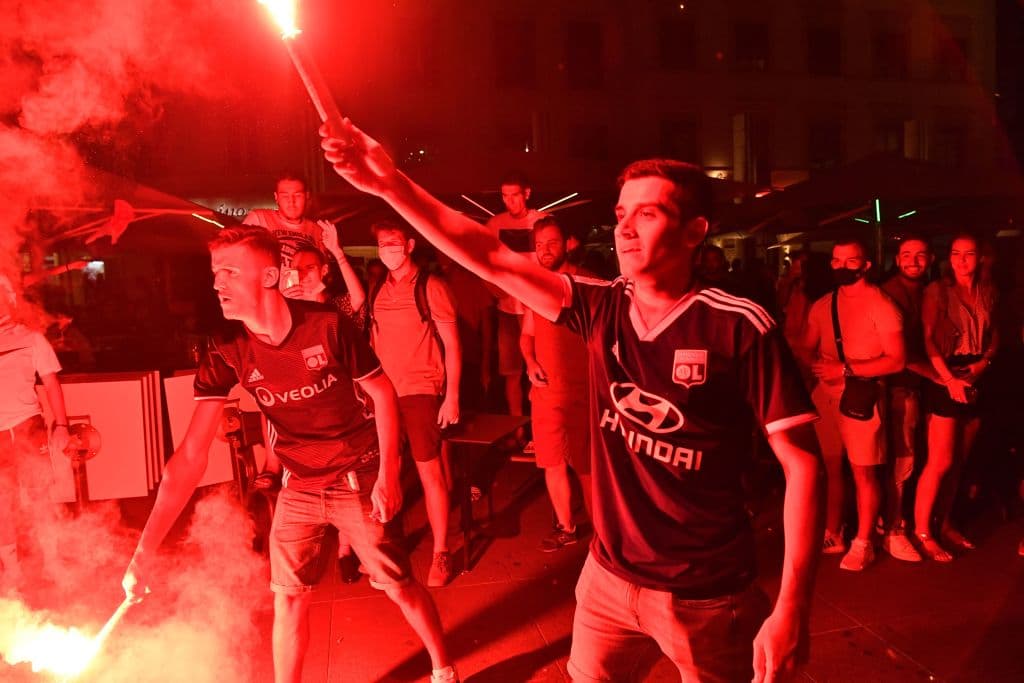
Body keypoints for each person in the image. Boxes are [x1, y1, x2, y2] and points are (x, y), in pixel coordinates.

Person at [322, 120, 824, 683]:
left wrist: (791, 607)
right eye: (620, 215)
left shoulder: (737, 326)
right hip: (607, 582)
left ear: (694, 232)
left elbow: (803, 465)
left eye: (648, 213)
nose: (625, 229)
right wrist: (390, 185)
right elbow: (488, 254)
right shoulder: (601, 306)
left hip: (706, 598)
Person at [121, 226, 457, 683]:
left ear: (270, 277)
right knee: (289, 596)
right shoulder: (227, 351)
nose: (217, 283)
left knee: (397, 585)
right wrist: (144, 553)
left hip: (357, 474)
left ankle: (443, 667)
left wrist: (389, 477)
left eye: (230, 272)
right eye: (215, 273)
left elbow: (382, 394)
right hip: (298, 483)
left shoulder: (328, 327)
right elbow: (189, 457)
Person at [798, 238, 905, 571]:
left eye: (850, 260)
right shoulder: (823, 304)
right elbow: (804, 345)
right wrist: (817, 365)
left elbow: (897, 360)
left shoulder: (882, 305)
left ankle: (863, 541)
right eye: (836, 260)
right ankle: (834, 531)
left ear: (866, 264)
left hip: (861, 394)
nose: (842, 266)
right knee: (830, 466)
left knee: (863, 471)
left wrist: (844, 368)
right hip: (826, 393)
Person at [368, 220, 461, 587]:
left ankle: (441, 552)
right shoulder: (378, 287)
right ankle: (388, 547)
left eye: (392, 242)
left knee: (429, 473)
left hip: (421, 392)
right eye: (381, 244)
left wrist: (451, 396)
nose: (387, 249)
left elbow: (452, 345)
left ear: (408, 245)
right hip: (384, 396)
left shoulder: (431, 286)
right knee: (386, 474)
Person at [914, 232, 999, 562]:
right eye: (955, 253)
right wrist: (948, 379)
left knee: (959, 461)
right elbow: (928, 339)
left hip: (974, 371)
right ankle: (922, 531)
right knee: (941, 461)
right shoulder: (938, 290)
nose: (962, 260)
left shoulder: (986, 290)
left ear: (980, 258)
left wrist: (982, 364)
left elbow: (995, 335)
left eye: (969, 253)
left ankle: (944, 522)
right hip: (946, 373)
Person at [519, 217, 594, 551]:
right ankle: (566, 526)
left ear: (569, 243)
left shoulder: (589, 285)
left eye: (551, 242)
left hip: (583, 392)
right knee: (552, 462)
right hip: (546, 393)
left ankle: (604, 535)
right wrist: (530, 362)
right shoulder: (534, 285)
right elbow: (527, 335)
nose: (544, 250)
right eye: (538, 245)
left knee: (587, 467)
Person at [0, 274, 70, 590]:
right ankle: (12, 571)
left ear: (10, 298)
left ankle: (54, 561)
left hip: (28, 426)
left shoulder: (31, 338)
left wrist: (62, 426)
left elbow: (52, 384)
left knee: (41, 498)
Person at [878, 235, 936, 562]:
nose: (914, 261)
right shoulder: (890, 293)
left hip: (912, 385)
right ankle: (894, 529)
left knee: (908, 457)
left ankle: (894, 522)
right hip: (897, 386)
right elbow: (899, 353)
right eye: (907, 255)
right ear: (897, 259)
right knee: (902, 459)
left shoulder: (925, 291)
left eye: (920, 255)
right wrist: (940, 376)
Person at [485, 172, 548, 419]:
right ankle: (518, 427)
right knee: (512, 372)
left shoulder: (543, 221)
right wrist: (492, 288)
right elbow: (481, 261)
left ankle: (540, 423)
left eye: (514, 196)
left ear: (527, 194)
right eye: (505, 196)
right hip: (508, 310)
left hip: (537, 308)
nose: (509, 201)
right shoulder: (494, 225)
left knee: (540, 368)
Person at [243, 173, 325, 269]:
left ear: (307, 196)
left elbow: (323, 272)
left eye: (297, 195)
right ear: (276, 197)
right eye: (285, 196)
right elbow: (236, 257)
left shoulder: (317, 231)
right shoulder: (259, 218)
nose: (291, 201)